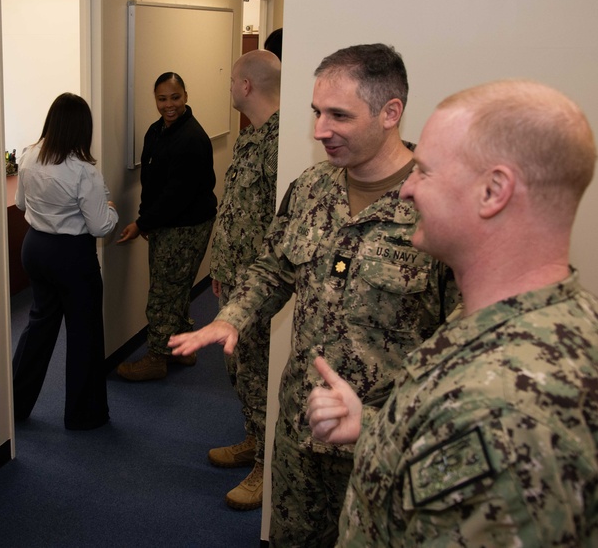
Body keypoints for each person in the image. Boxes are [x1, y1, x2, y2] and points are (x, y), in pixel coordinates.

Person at [169, 44, 459, 546]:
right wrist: (234, 315)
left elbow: (463, 341)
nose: (320, 130)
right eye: (316, 112)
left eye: (339, 115)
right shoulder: (310, 189)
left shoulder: (438, 204)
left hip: (381, 441)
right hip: (301, 428)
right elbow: (275, 266)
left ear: (391, 112)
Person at [307, 80, 598, 546]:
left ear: (493, 191)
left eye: (424, 171)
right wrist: (377, 429)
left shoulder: (499, 407)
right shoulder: (543, 323)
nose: (406, 191)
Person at [11, 93, 119, 430]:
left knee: (38, 325)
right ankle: (83, 415)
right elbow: (101, 226)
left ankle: (14, 404)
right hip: (72, 257)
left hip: (36, 250)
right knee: (84, 333)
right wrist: (112, 208)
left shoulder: (28, 156)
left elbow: (20, 205)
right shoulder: (84, 172)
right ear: (82, 129)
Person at [205, 50, 281, 511]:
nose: (229, 87)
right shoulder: (249, 139)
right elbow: (235, 209)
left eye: (233, 80)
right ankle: (253, 438)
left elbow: (280, 224)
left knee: (257, 371)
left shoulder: (280, 142)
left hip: (258, 287)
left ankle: (267, 467)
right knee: (239, 370)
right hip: (233, 279)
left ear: (247, 86)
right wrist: (219, 265)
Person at [116, 72, 217, 382]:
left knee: (163, 293)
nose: (169, 105)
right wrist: (148, 217)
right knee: (176, 288)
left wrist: (141, 223)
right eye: (162, 98)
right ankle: (181, 347)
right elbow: (153, 181)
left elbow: (176, 195)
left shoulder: (191, 138)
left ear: (185, 96)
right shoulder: (157, 131)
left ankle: (158, 356)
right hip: (168, 223)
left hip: (185, 226)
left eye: (175, 97)